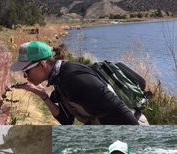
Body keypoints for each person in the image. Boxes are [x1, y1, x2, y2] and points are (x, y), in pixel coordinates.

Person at [11, 40, 145, 125]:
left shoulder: (74, 78)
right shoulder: (59, 79)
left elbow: (120, 109)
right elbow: (67, 120)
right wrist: (43, 95)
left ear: (42, 64)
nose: (25, 76)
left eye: (26, 71)